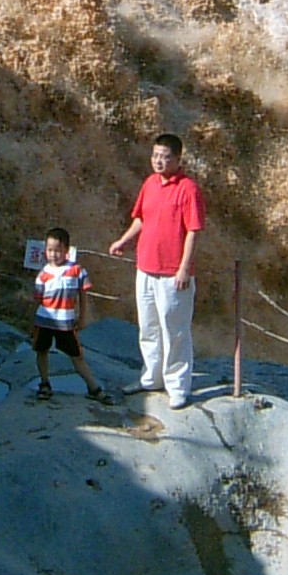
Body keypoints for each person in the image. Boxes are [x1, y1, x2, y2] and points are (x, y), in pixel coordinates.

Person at [107, 133, 205, 410]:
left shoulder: (188, 189)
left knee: (175, 331)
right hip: (145, 268)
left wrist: (184, 268)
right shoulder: (150, 183)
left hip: (173, 273)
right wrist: (124, 241)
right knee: (148, 327)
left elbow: (193, 231)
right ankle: (151, 378)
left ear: (178, 159)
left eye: (165, 157)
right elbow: (141, 218)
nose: (159, 161)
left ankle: (177, 387)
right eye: (155, 156)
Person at [30, 228, 113, 404]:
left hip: (66, 323)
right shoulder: (42, 275)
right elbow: (38, 300)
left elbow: (83, 294)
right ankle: (44, 383)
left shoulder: (77, 271)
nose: (53, 254)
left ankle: (93, 387)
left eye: (58, 250)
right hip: (44, 320)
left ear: (67, 250)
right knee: (41, 351)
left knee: (76, 355)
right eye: (50, 250)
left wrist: (83, 317)